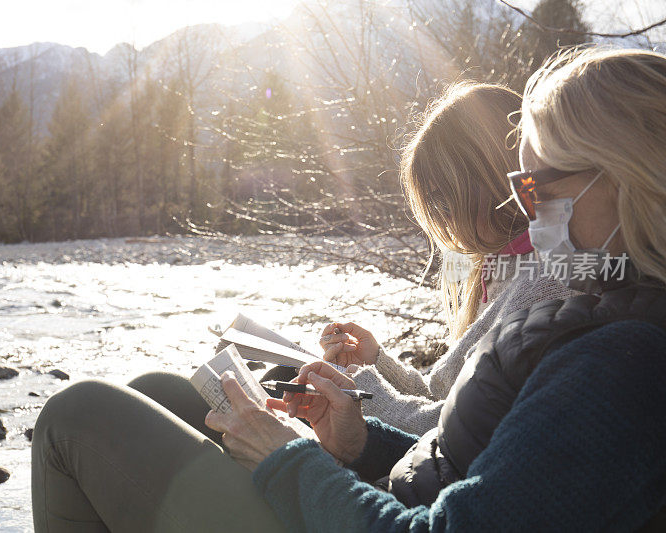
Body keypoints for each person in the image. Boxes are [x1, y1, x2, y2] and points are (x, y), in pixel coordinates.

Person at [207, 47, 666, 531]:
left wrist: (289, 461)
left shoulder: (619, 360)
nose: (530, 214)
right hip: (397, 487)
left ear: (631, 177)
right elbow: (477, 463)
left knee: (135, 407)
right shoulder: (609, 318)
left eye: (542, 192)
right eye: (521, 191)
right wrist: (360, 443)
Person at [320, 82, 576, 436]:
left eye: (443, 200)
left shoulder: (548, 284)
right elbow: (444, 392)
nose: (443, 220)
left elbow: (455, 430)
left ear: (492, 180)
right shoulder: (503, 266)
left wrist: (361, 390)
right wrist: (375, 362)